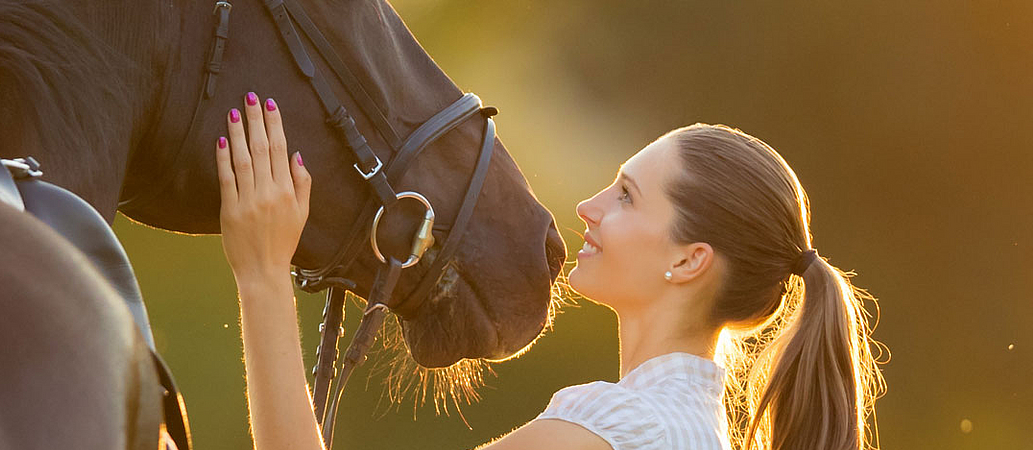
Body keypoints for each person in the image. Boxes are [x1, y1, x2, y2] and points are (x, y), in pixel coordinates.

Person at [214, 93, 882, 450]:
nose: (587, 209)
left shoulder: (614, 428)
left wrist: (264, 272)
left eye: (626, 196)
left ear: (688, 260)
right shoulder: (692, 436)